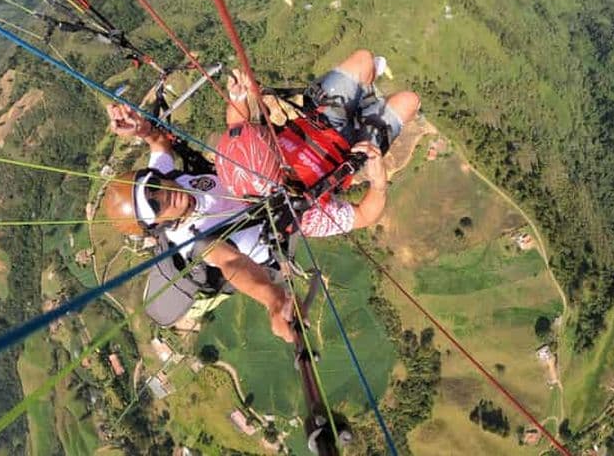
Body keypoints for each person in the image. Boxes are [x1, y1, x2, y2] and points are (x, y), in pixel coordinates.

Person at [102, 103, 296, 342]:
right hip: (284, 223)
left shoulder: (167, 179)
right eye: (155, 206)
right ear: (157, 225)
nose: (163, 195)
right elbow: (230, 262)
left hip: (261, 184)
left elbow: (158, 142)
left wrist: (141, 129)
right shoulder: (194, 240)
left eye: (153, 186)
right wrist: (273, 300)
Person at [216, 49, 420, 237]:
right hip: (355, 150)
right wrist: (379, 184)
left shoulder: (248, 172)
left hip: (322, 118)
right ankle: (362, 101)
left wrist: (238, 96)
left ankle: (364, 92)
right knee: (409, 101)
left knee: (364, 60)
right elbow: (366, 216)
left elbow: (237, 123)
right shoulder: (304, 217)